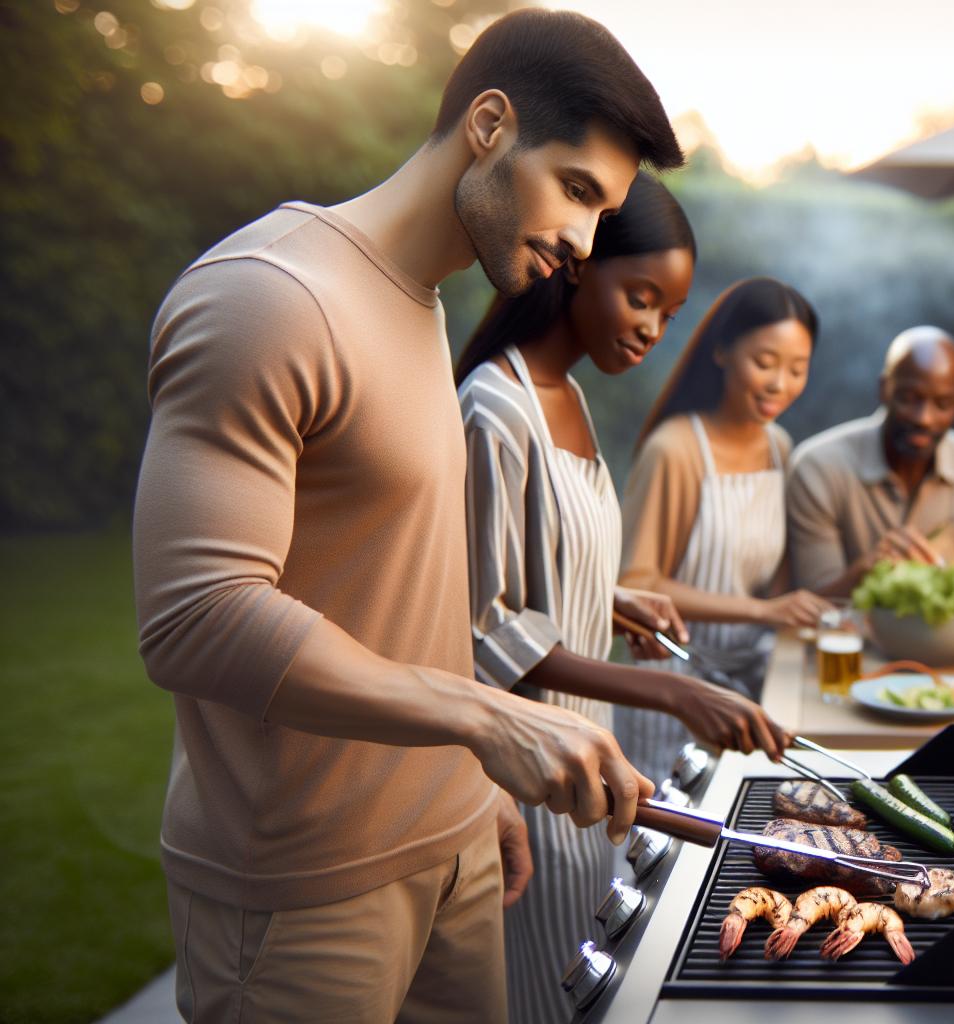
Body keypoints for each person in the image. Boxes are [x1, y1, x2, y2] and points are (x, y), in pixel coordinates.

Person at [131, 11, 683, 1020]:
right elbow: (194, 618)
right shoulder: (271, 297)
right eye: (576, 191)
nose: (582, 242)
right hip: (302, 893)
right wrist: (483, 716)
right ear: (487, 124)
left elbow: (401, 584)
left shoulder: (425, 301)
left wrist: (466, 796)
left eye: (603, 212)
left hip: (455, 852)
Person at [454, 171, 795, 1022]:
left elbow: (542, 570)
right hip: (523, 785)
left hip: (589, 777)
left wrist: (611, 601)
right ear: (577, 265)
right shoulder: (495, 408)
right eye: (641, 297)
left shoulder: (566, 396)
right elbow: (478, 629)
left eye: (669, 313)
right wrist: (675, 688)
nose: (651, 328)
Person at [616, 277, 833, 784]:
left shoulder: (779, 447)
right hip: (671, 689)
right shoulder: (676, 449)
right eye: (765, 363)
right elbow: (639, 583)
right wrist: (762, 611)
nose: (781, 383)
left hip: (749, 689)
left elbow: (777, 589)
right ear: (721, 352)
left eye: (797, 369)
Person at [786, 326, 954, 596]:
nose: (924, 417)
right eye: (909, 399)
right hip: (844, 636)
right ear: (884, 389)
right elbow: (811, 602)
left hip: (946, 638)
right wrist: (867, 569)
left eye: (943, 404)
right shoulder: (818, 468)